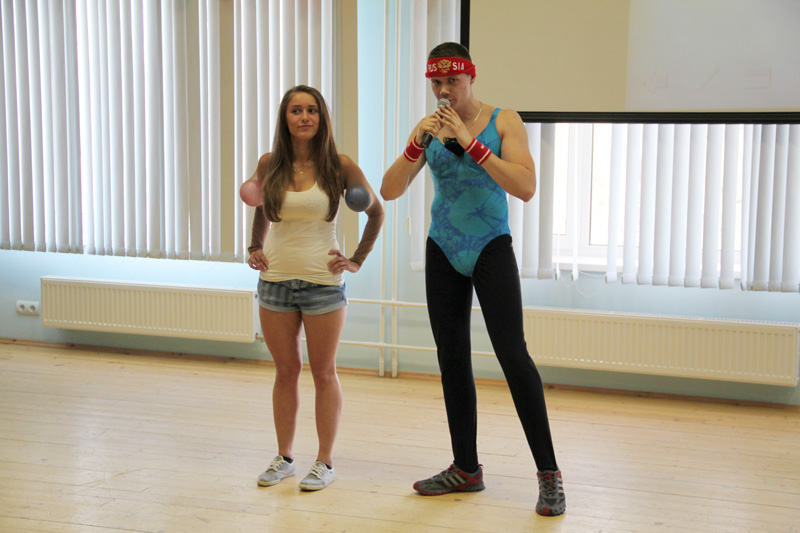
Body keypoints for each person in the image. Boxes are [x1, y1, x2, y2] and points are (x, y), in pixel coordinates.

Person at [380, 43, 565, 516]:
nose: (445, 91)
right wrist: (416, 144)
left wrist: (470, 140)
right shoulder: (428, 128)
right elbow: (390, 189)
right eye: (437, 83)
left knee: (513, 356)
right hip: (443, 248)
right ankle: (466, 468)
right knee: (452, 359)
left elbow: (525, 187)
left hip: (489, 246)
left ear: (471, 79)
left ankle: (549, 474)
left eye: (453, 82)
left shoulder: (504, 121)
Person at [246, 85, 384, 491]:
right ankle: (285, 457)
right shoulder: (270, 162)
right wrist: (254, 246)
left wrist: (356, 259)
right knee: (285, 372)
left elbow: (376, 212)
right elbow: (262, 208)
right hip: (275, 281)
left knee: (324, 373)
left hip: (323, 283)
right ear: (285, 118)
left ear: (322, 118)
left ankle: (325, 462)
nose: (304, 117)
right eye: (296, 110)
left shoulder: (339, 165)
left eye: (312, 110)